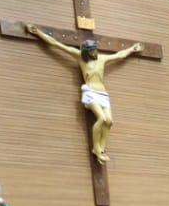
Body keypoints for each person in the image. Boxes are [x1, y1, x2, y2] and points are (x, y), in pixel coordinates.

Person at [22, 26, 144, 164]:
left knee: (109, 121)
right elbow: (57, 44)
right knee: (102, 118)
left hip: (103, 94)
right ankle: (96, 148)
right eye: (92, 51)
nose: (95, 52)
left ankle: (102, 149)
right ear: (87, 52)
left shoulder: (102, 59)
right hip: (90, 92)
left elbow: (118, 55)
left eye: (95, 49)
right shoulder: (80, 57)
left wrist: (132, 49)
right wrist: (38, 32)